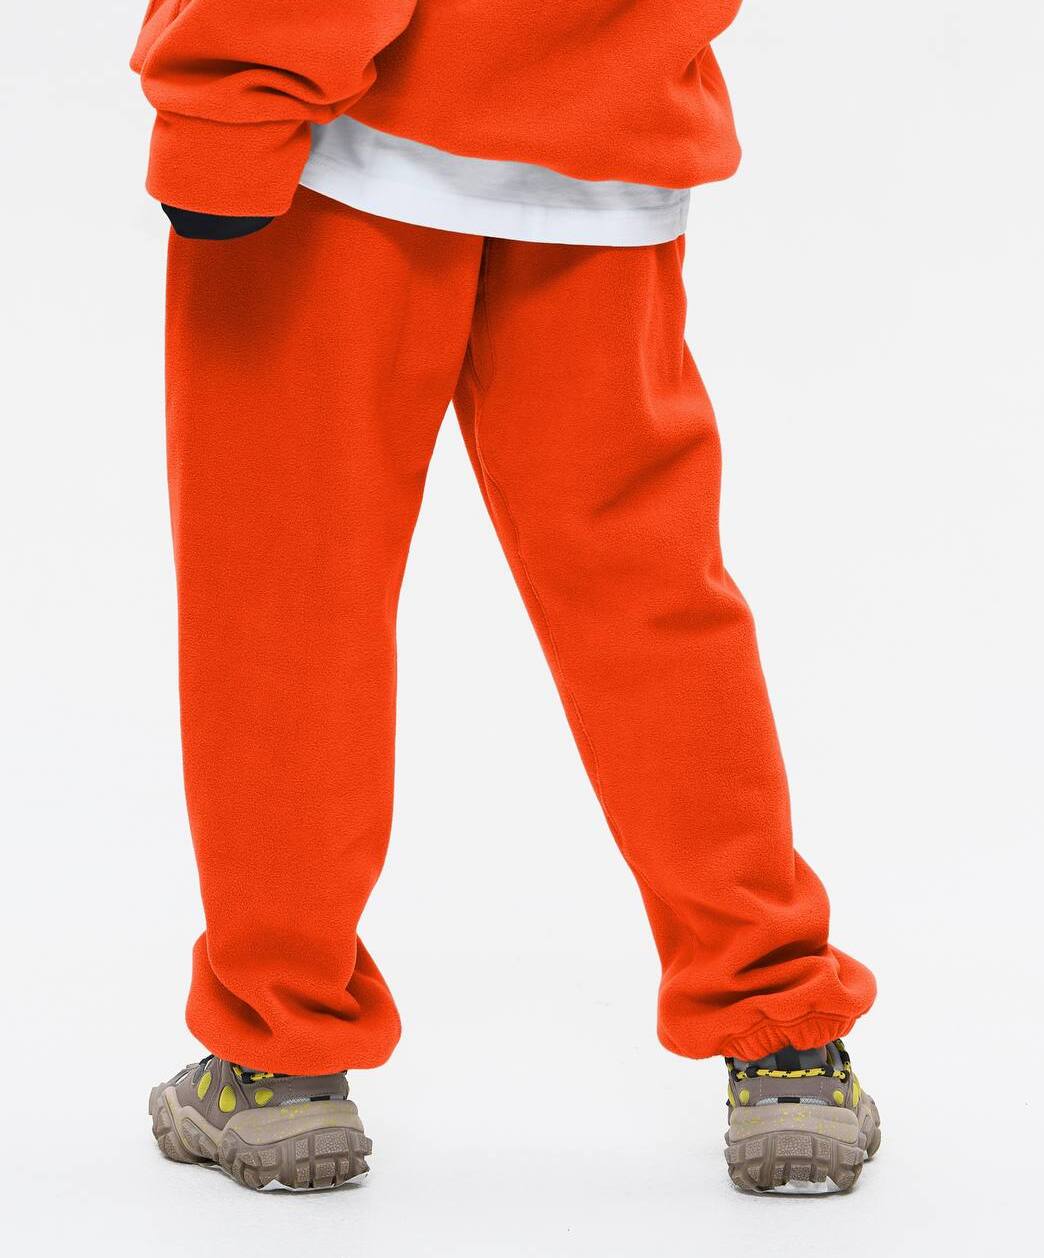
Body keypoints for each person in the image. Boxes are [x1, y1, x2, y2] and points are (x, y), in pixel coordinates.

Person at [132, 0, 880, 1194]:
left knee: (288, 603)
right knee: (649, 600)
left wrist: (230, 99)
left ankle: (279, 1059)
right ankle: (784, 1037)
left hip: (344, 147)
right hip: (609, 144)